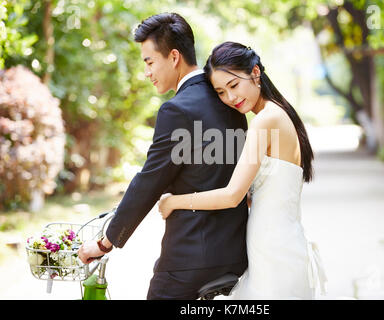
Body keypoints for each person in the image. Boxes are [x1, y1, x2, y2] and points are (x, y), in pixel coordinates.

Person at [77, 14, 249, 300]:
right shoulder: (230, 100)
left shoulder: (176, 110)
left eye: (149, 61)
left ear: (173, 56)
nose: (147, 72)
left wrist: (105, 243)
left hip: (189, 260)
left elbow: (150, 181)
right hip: (235, 255)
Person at [158, 41, 328, 299]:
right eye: (221, 92)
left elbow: (232, 196)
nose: (231, 97)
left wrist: (174, 202)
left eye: (234, 85)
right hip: (277, 247)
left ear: (255, 73)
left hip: (274, 253)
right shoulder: (278, 114)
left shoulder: (266, 119)